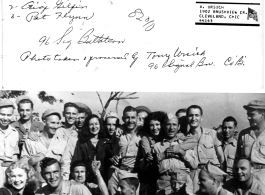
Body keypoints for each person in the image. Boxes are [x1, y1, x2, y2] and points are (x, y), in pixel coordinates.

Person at [153, 113, 197, 195]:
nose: (171, 128)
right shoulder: (157, 146)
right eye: (168, 124)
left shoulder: (185, 144)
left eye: (174, 125)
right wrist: (162, 156)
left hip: (183, 180)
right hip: (164, 182)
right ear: (163, 126)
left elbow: (194, 165)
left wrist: (182, 153)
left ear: (178, 127)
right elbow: (152, 167)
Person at [21, 109, 68, 185]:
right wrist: (31, 161)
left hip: (54, 184)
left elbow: (65, 165)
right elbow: (21, 164)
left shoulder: (62, 143)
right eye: (52, 123)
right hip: (35, 183)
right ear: (44, 121)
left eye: (57, 123)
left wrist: (64, 183)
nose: (55, 126)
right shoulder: (31, 141)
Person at [186, 105, 224, 193]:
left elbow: (221, 158)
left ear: (201, 118)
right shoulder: (184, 139)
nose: (193, 118)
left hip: (213, 175)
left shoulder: (212, 134)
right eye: (190, 115)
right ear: (187, 118)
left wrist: (221, 175)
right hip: (195, 177)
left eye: (196, 115)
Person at [108, 106, 143, 195]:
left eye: (133, 117)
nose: (130, 120)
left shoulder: (143, 134)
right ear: (123, 118)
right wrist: (112, 158)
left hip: (133, 174)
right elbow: (110, 151)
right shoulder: (118, 133)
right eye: (127, 117)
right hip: (117, 172)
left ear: (137, 118)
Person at [72, 114, 110, 183]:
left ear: (100, 125)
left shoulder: (106, 142)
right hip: (87, 180)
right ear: (87, 126)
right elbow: (76, 162)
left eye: (96, 124)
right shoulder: (82, 143)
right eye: (91, 124)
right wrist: (89, 165)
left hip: (104, 180)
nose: (94, 127)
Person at [236, 100, 265, 186]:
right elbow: (237, 158)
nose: (248, 118)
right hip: (245, 176)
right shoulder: (243, 134)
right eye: (248, 115)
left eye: (252, 115)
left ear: (262, 115)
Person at [139, 111, 166, 195]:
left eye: (157, 124)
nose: (155, 128)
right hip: (152, 175)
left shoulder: (167, 136)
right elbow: (150, 155)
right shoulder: (145, 139)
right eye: (151, 125)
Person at [0, 100, 20, 187]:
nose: (5, 118)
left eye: (8, 115)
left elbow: (15, 156)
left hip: (9, 171)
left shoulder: (14, 132)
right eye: (2, 114)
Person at [221, 116, 238, 181]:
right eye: (225, 127)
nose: (227, 130)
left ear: (235, 129)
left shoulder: (238, 147)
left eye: (230, 128)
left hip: (232, 182)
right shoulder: (217, 145)